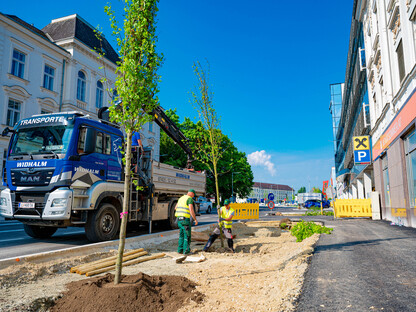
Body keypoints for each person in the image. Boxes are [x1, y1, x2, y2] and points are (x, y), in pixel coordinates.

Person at [175, 189, 198, 255]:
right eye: (193, 195)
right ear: (192, 194)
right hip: (185, 220)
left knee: (181, 235)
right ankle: (186, 251)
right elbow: (191, 210)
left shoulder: (181, 198)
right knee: (187, 236)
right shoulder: (189, 199)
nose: (193, 197)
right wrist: (195, 219)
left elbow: (175, 208)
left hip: (179, 220)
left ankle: (180, 250)